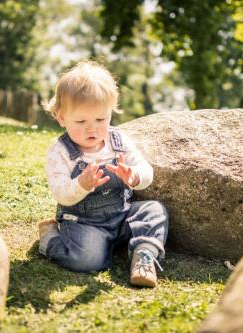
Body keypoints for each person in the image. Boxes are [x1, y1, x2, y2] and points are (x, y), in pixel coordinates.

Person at [38, 60, 169, 287]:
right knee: (88, 259)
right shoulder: (60, 152)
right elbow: (61, 193)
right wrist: (82, 184)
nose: (92, 128)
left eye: (101, 119)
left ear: (111, 112)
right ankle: (49, 238)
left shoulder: (118, 140)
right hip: (84, 224)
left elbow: (145, 169)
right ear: (61, 118)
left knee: (154, 210)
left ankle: (144, 255)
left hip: (123, 215)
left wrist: (135, 176)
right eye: (80, 121)